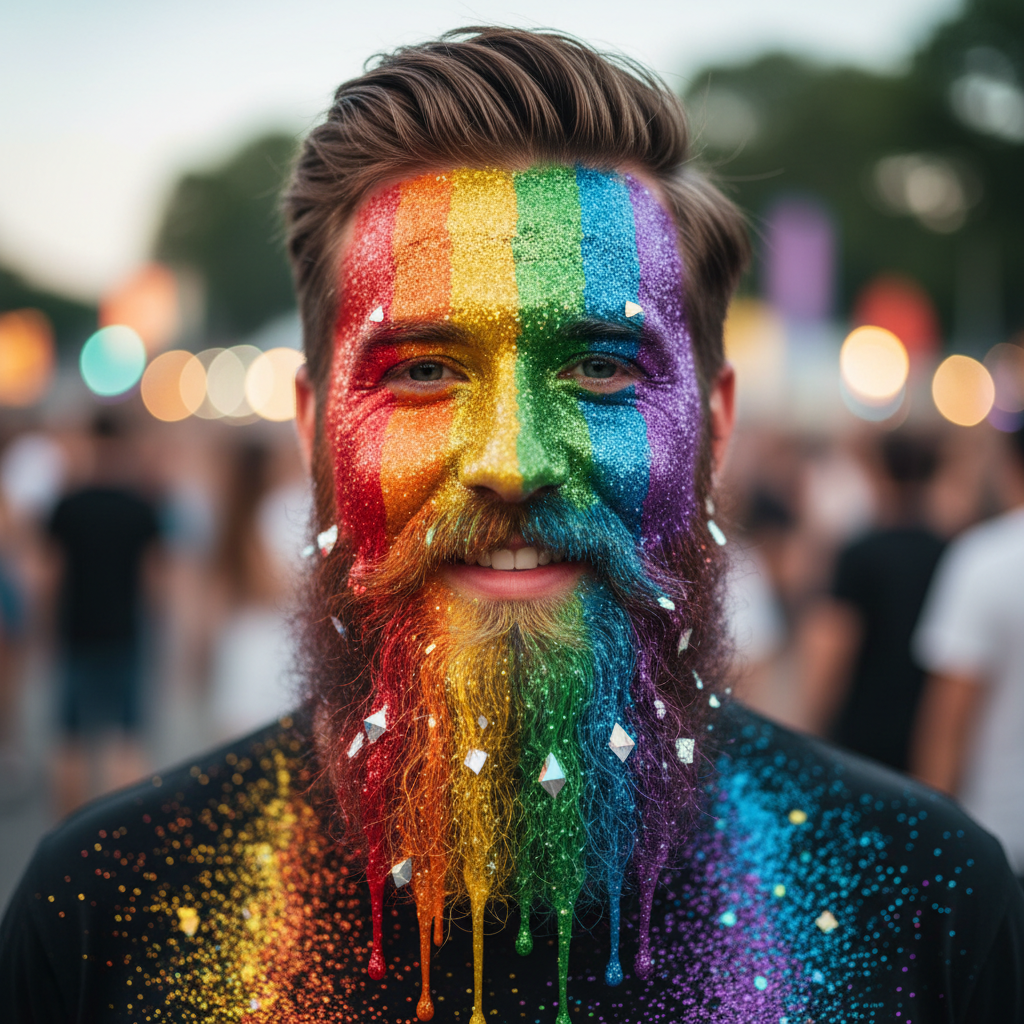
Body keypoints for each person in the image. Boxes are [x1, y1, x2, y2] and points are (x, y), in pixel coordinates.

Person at [2, 28, 1022, 1023]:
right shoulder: (98, 912)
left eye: (600, 367)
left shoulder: (930, 901)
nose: (510, 461)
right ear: (314, 427)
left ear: (712, 423)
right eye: (425, 371)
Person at [912, 422, 1024, 885]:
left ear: (1010, 465)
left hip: (1000, 838)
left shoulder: (986, 559)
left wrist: (929, 849)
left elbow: (947, 727)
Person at [801, 430, 946, 770]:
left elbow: (833, 645)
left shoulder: (860, 553)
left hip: (862, 734)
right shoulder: (952, 550)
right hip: (925, 730)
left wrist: (811, 724)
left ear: (878, 472)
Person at [45, 413, 161, 814]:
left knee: (71, 737)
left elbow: (50, 576)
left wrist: (44, 626)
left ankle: (65, 835)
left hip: (75, 629)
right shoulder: (139, 506)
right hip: (125, 630)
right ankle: (123, 837)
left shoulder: (67, 505)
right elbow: (153, 579)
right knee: (127, 737)